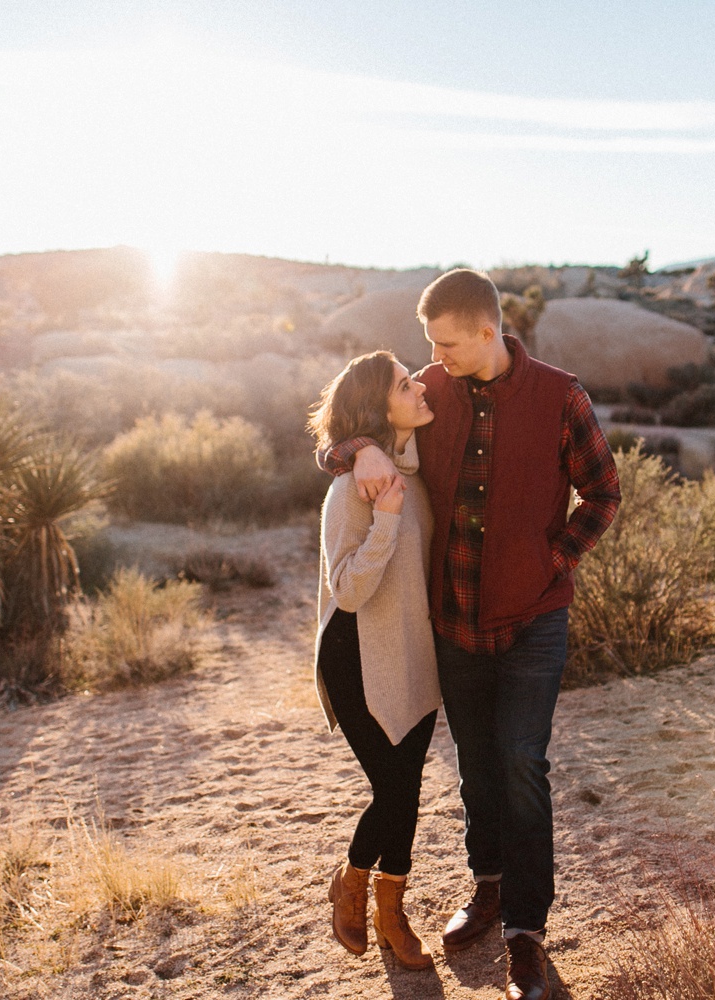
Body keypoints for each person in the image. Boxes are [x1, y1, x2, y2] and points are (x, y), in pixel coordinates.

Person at [320, 269, 621, 1000]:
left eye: (446, 343)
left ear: (487, 331)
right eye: (429, 346)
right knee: (478, 770)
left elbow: (604, 492)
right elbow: (354, 421)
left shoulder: (559, 396)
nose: (434, 358)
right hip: (452, 626)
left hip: (533, 621)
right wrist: (351, 449)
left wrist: (553, 559)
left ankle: (525, 932)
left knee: (522, 763)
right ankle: (487, 890)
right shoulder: (434, 387)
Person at [308, 350, 443, 971]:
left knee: (408, 787)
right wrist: (385, 520)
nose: (418, 387)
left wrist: (362, 447)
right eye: (404, 383)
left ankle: (388, 902)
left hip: (413, 651)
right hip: (356, 656)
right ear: (376, 405)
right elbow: (350, 592)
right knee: (392, 788)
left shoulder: (411, 468)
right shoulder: (352, 489)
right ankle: (362, 888)